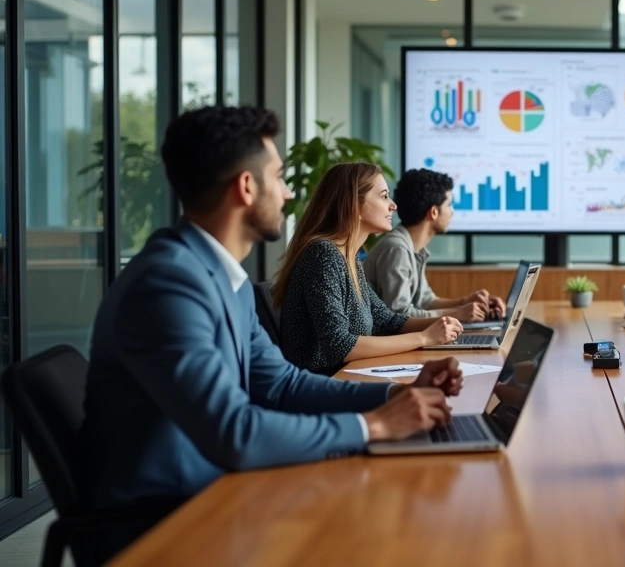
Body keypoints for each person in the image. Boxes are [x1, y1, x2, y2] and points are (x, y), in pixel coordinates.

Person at [83, 107, 463, 560]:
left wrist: (394, 397)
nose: (288, 192)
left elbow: (282, 384)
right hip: (172, 524)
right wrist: (375, 425)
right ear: (246, 187)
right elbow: (233, 434)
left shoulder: (222, 278)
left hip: (221, 491)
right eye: (279, 177)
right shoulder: (166, 286)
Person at [273, 163, 463, 375]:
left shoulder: (349, 257)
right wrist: (424, 338)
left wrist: (445, 324)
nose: (393, 205)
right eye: (384, 197)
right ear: (355, 205)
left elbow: (387, 321)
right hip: (321, 383)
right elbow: (340, 345)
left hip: (348, 375)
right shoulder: (323, 254)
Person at [364, 168, 504, 321]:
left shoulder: (413, 247)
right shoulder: (397, 249)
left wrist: (466, 302)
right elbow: (400, 315)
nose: (452, 212)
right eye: (449, 205)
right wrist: (457, 314)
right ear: (434, 212)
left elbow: (425, 302)